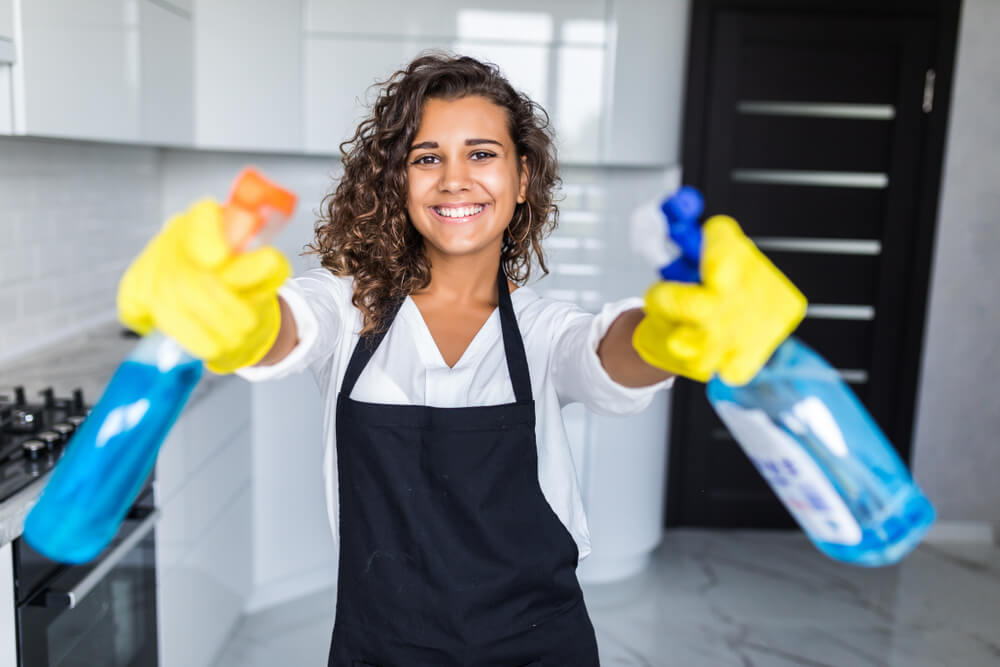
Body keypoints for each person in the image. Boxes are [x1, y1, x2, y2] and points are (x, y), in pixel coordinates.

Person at [118, 53, 804, 666]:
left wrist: (663, 333)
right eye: (426, 157)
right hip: (380, 645)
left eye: (481, 154)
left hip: (539, 643)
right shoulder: (347, 308)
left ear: (522, 176)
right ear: (398, 181)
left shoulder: (538, 328)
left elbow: (600, 353)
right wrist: (243, 322)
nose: (454, 180)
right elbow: (290, 325)